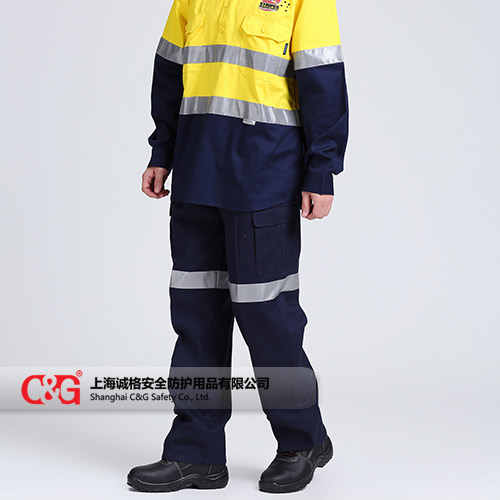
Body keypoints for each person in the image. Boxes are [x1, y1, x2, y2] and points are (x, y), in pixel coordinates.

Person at [127, 0, 348, 493]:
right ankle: (196, 455)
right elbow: (169, 73)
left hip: (264, 174)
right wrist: (162, 150)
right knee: (196, 320)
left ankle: (303, 441)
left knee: (268, 318)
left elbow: (323, 81)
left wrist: (321, 168)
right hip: (196, 174)